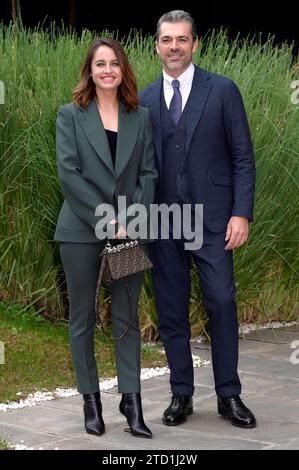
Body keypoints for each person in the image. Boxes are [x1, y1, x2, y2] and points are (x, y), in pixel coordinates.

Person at [139, 10, 257, 428]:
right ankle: (181, 394)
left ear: (195, 44)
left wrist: (241, 212)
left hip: (213, 220)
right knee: (171, 310)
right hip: (164, 221)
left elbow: (243, 156)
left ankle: (229, 395)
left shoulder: (223, 90)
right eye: (167, 39)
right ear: (157, 45)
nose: (174, 46)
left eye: (182, 39)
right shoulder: (145, 97)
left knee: (222, 302)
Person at [54, 37, 157, 439]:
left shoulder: (140, 116)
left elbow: (148, 174)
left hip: (130, 230)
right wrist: (105, 218)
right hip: (81, 230)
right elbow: (69, 174)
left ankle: (132, 404)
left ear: (123, 69)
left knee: (127, 318)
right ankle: (91, 402)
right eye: (100, 64)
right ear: (90, 71)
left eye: (114, 63)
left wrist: (131, 217)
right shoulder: (70, 115)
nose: (108, 70)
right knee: (82, 317)